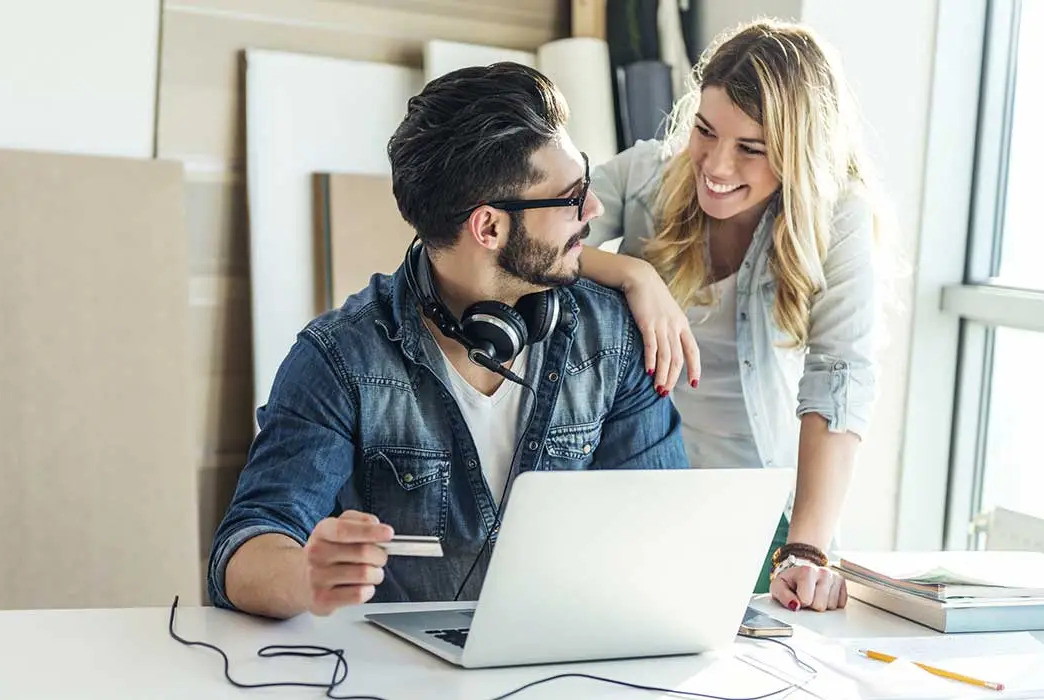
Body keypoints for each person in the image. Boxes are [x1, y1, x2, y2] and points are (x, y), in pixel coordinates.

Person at [208, 62, 688, 619]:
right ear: (488, 228)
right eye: (571, 196)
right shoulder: (340, 359)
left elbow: (665, 536)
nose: (595, 209)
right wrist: (304, 574)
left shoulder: (615, 339)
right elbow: (245, 546)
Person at [579, 19, 889, 613]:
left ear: (799, 154)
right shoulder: (646, 177)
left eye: (751, 148)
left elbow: (839, 377)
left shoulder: (837, 215)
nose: (716, 167)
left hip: (759, 518)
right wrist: (633, 273)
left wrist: (807, 549)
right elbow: (532, 244)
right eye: (705, 131)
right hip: (636, 497)